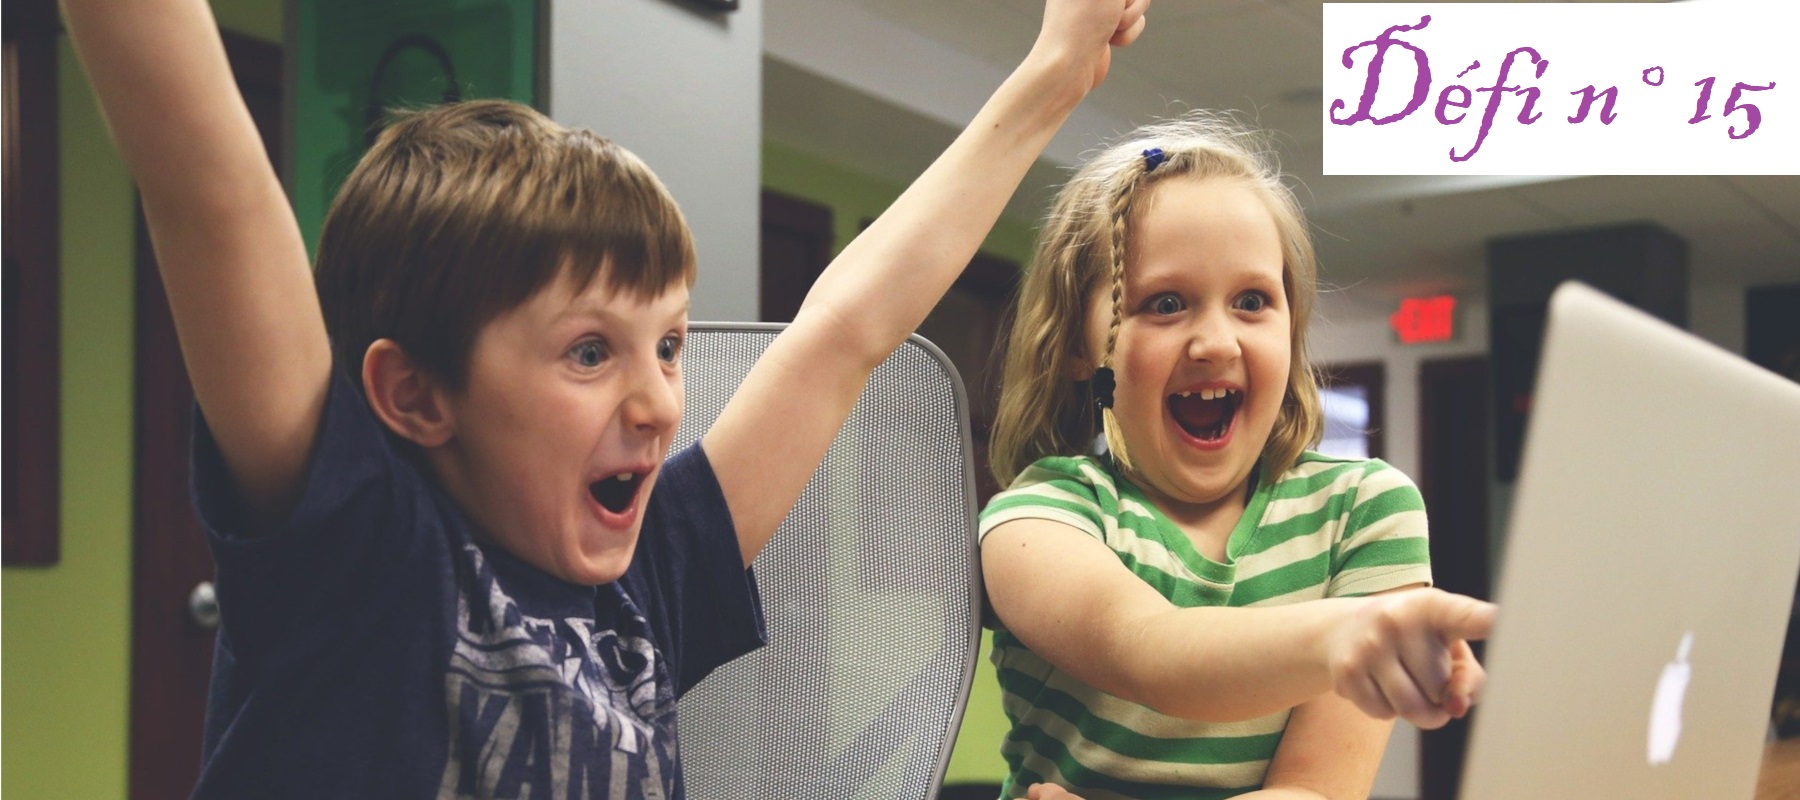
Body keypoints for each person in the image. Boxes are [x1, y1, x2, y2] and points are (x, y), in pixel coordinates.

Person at [59, 0, 1149, 796]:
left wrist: (1055, 74)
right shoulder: (359, 548)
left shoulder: (650, 575)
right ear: (414, 393)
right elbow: (207, 189)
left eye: (667, 345)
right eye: (590, 353)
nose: (661, 404)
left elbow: (844, 332)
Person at [979, 113, 1495, 799]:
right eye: (1166, 303)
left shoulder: (1362, 510)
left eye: (1252, 301)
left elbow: (1314, 791)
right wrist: (1344, 635)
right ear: (1079, 346)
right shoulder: (1037, 519)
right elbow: (1149, 650)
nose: (1217, 342)